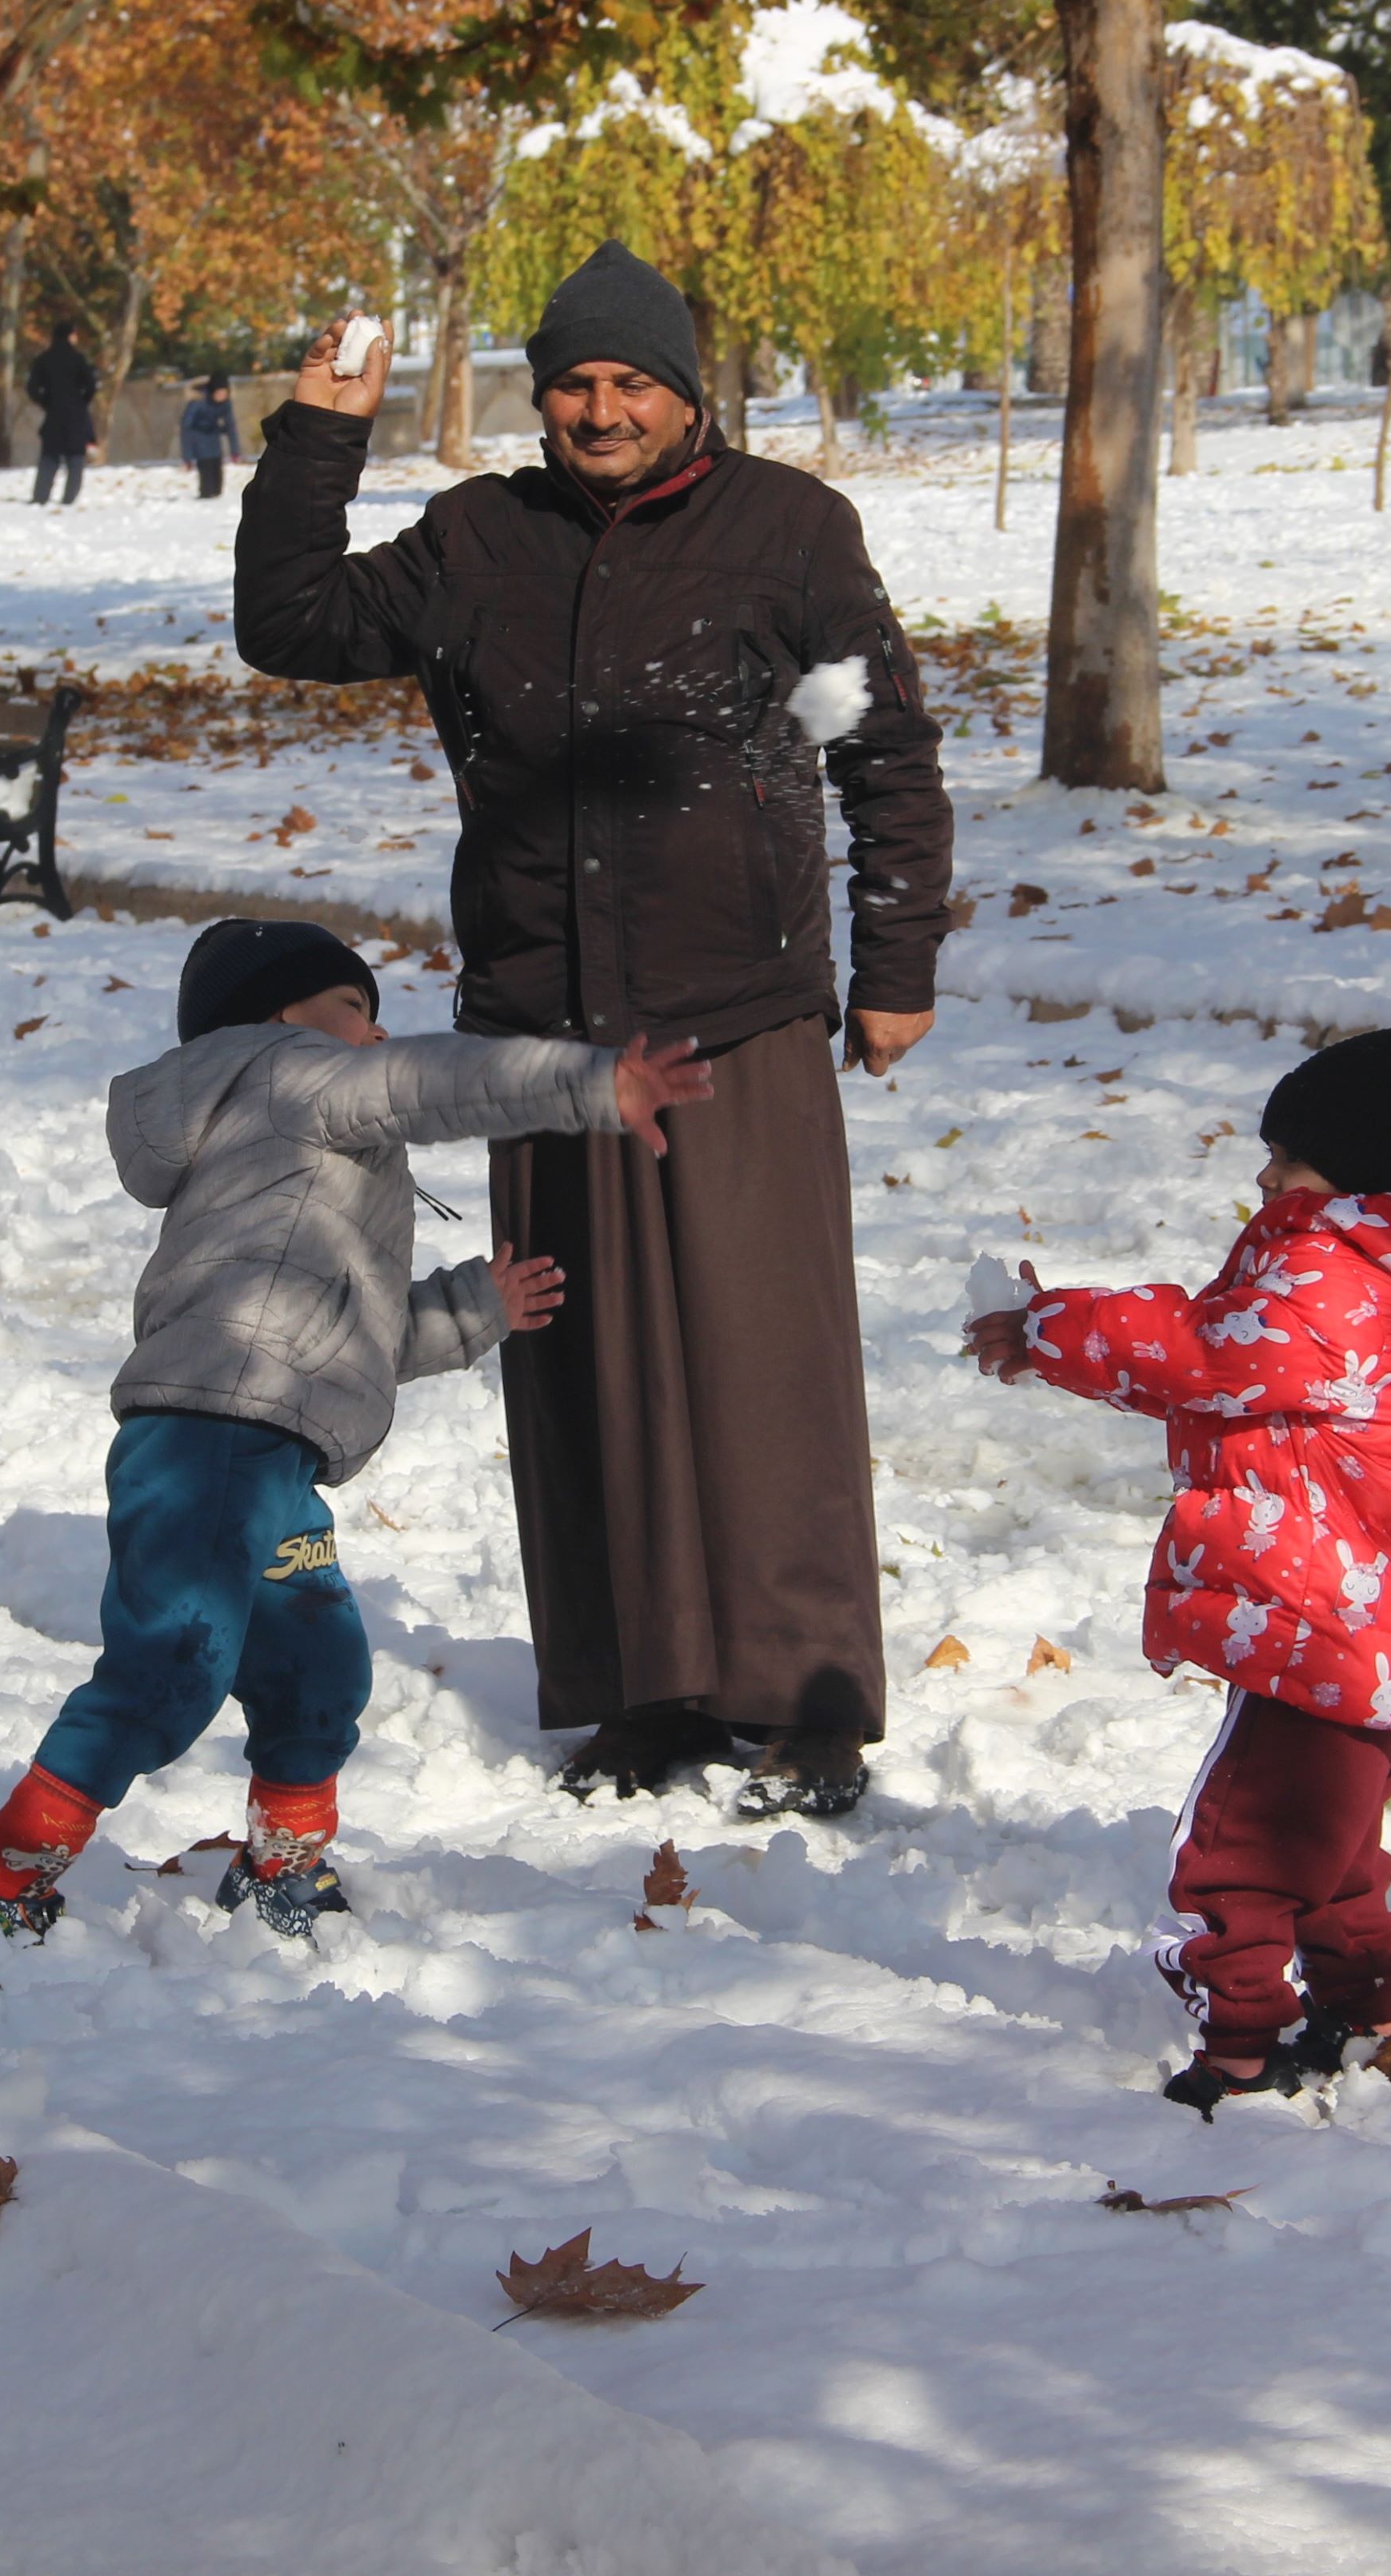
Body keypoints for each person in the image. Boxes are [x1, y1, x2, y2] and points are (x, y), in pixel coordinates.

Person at [231, 240, 956, 1823]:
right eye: (574, 383)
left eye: (633, 382)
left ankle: (809, 1700)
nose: (602, 409)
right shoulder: (479, 537)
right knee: (587, 1366)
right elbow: (288, 622)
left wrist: (895, 956)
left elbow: (884, 746)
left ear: (687, 390)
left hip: (736, 1009)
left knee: (763, 1364)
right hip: (543, 1022)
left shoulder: (788, 531)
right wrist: (319, 435)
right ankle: (646, 1691)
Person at [0, 919, 715, 1947]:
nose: (374, 1034)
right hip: (207, 1446)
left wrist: (474, 1307)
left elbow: (344, 1330)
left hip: (273, 1460)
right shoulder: (297, 1078)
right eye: (353, 1009)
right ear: (282, 1014)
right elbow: (434, 1083)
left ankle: (282, 1868)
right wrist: (590, 1085)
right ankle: (3, 1876)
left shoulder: (290, 1143)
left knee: (319, 1670)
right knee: (170, 1668)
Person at [965, 1026, 1391, 2115]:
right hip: (1347, 1612)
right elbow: (1215, 1371)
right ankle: (1366, 2007)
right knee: (1330, 1843)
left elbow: (1197, 1349)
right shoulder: (1377, 1263)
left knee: (1235, 1844)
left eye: (1289, 1157)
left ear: (1356, 1168)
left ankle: (1241, 2043)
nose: (1265, 1175)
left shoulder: (1327, 1274)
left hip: (1313, 1612)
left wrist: (1044, 1328)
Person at [26, 321, 99, 507]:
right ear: (69, 335)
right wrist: (81, 402)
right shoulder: (78, 359)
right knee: (75, 458)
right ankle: (69, 498)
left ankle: (41, 496)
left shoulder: (43, 359)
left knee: (50, 456)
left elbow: (32, 388)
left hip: (54, 414)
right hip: (76, 414)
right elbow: (91, 386)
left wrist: (46, 402)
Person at [180, 373, 238, 501]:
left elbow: (231, 426)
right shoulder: (198, 402)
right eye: (219, 393)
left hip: (214, 442)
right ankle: (204, 501)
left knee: (217, 480)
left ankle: (216, 502)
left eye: (224, 393)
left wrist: (235, 452)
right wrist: (187, 457)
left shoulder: (226, 403)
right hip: (199, 442)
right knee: (207, 479)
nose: (222, 396)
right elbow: (186, 429)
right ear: (213, 392)